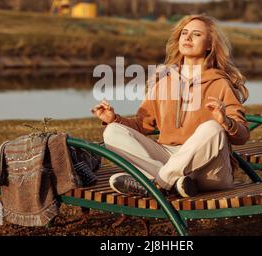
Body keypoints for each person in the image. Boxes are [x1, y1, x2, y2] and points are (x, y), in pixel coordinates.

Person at [91, 14, 250, 198]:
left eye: (197, 34)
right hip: (169, 157)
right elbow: (143, 124)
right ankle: (174, 183)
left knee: (212, 128)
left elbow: (242, 136)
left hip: (209, 170)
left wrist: (226, 121)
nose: (188, 37)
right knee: (112, 132)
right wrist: (114, 119)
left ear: (209, 45)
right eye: (184, 33)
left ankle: (156, 184)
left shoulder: (220, 83)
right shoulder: (164, 81)